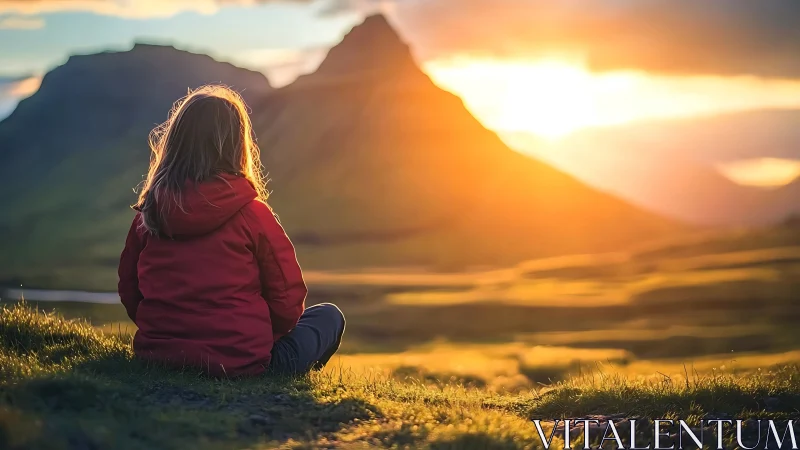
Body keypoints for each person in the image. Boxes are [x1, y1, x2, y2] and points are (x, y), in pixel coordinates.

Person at [117, 85, 344, 378]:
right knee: (328, 316)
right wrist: (256, 337)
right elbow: (288, 301)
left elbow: (130, 290)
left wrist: (169, 336)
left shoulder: (149, 216)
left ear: (174, 142)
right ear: (237, 144)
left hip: (159, 359)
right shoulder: (253, 214)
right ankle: (280, 386)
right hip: (243, 365)